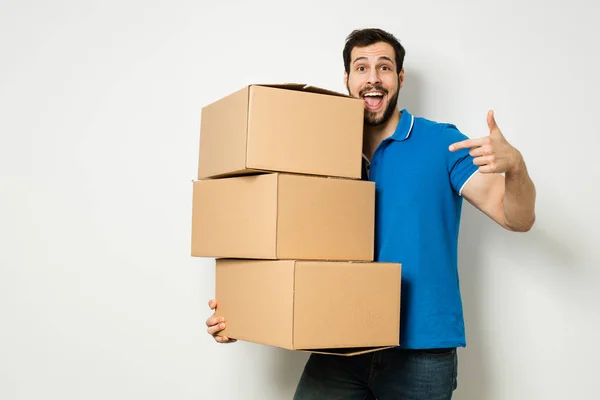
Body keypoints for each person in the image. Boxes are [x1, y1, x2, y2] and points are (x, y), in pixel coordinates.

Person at [205, 28, 536, 399]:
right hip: (340, 340)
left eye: (384, 67)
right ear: (346, 79)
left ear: (400, 78)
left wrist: (516, 168)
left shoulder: (442, 143)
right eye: (361, 68)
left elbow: (516, 218)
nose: (373, 78)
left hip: (421, 351)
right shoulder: (316, 153)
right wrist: (241, 309)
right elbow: (277, 238)